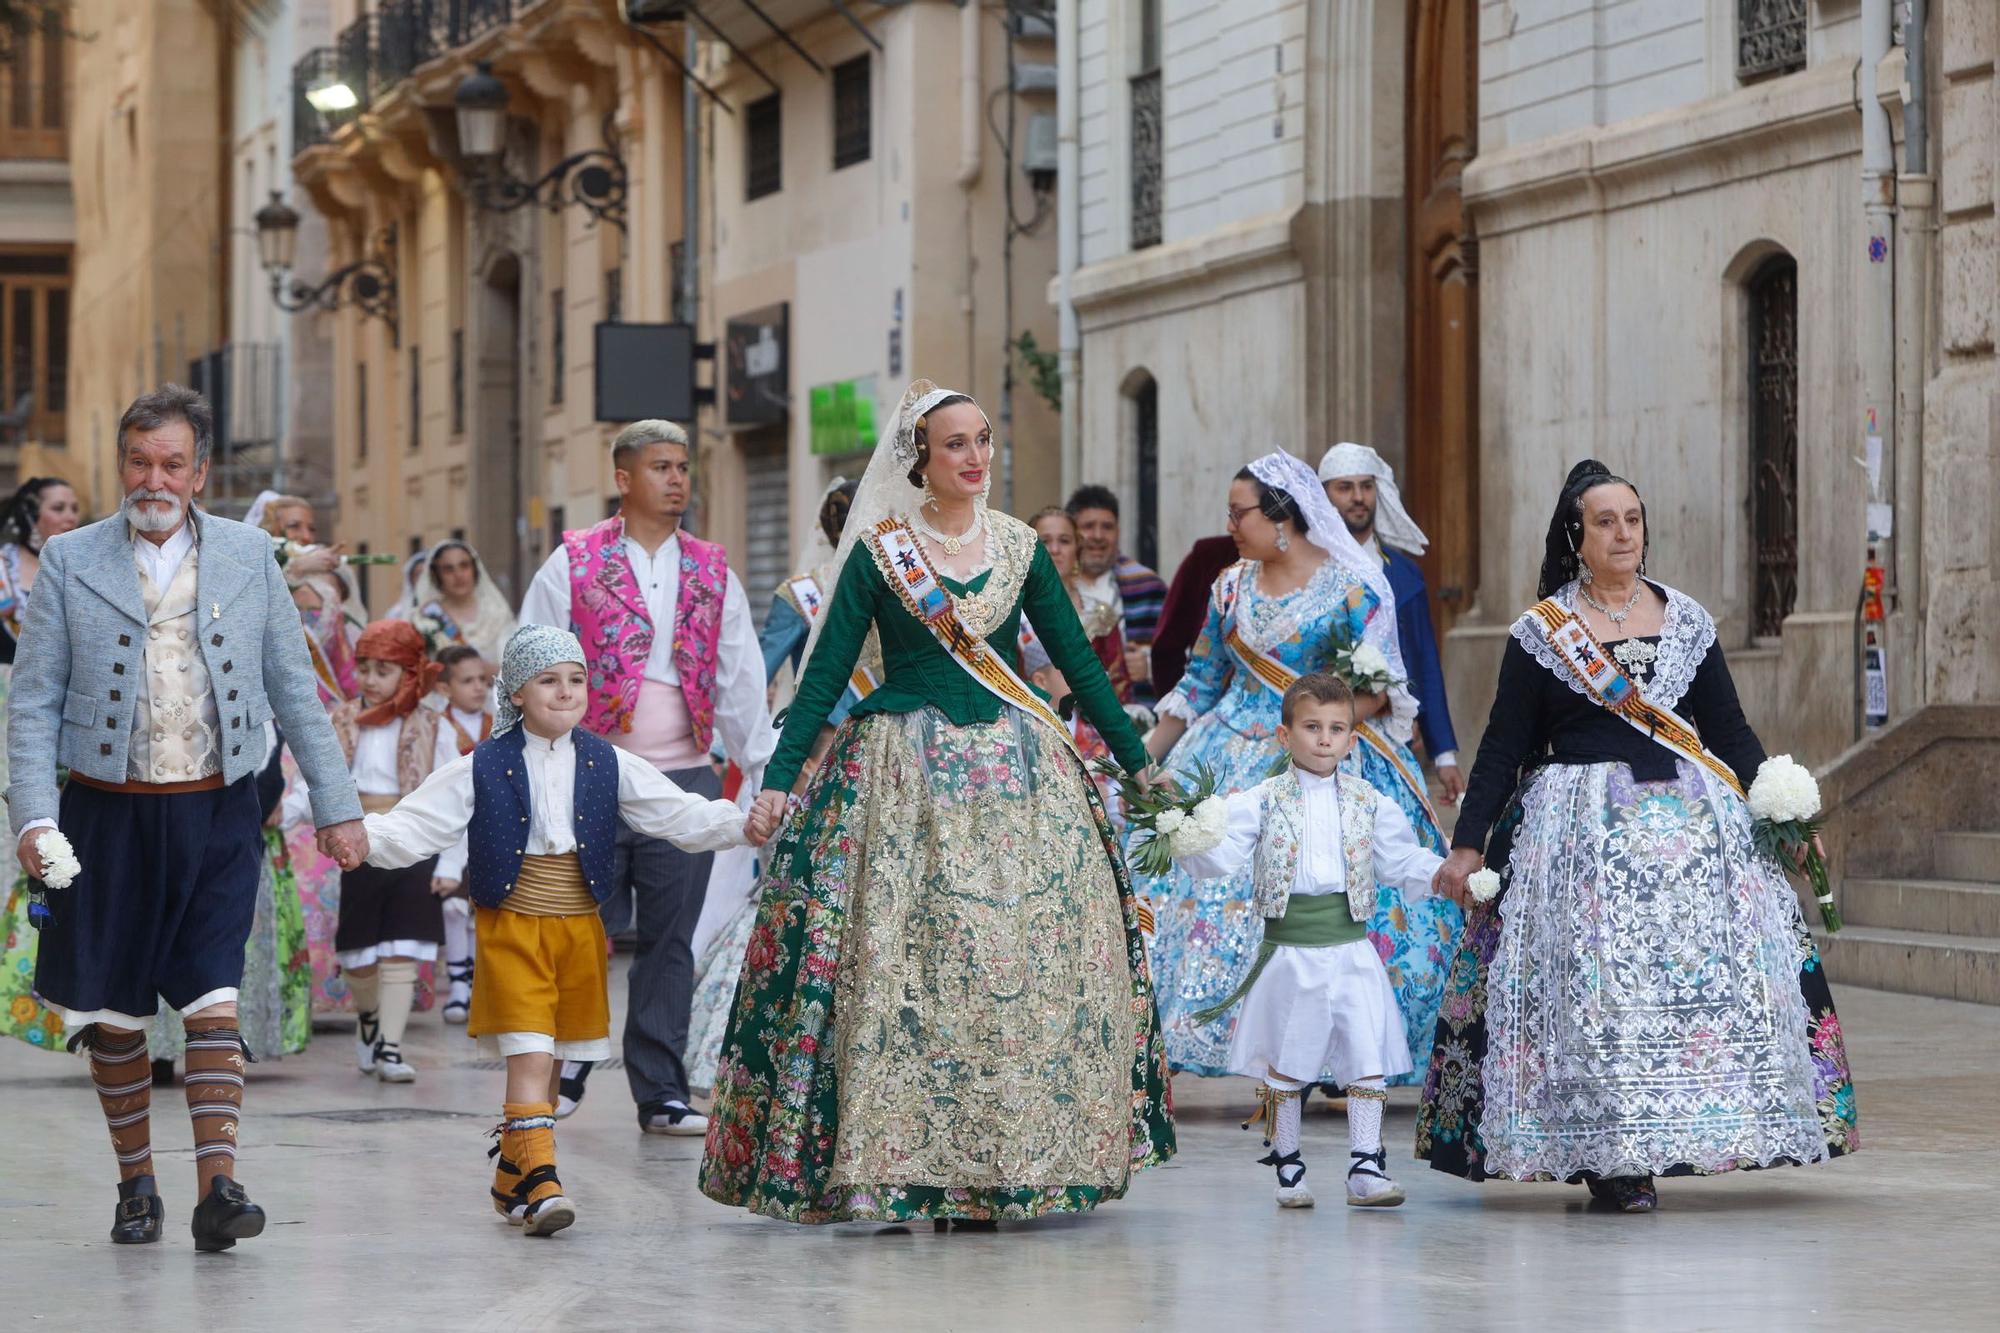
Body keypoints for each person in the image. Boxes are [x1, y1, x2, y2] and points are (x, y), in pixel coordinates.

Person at [699, 379, 1174, 1228]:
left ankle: (1012, 1157)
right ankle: (909, 1166)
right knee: (905, 963)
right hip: (900, 779)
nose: (976, 456)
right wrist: (777, 784)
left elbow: (1079, 664)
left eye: (984, 440)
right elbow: (821, 677)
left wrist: (1139, 766)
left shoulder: (1021, 545)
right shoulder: (881, 553)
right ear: (918, 459)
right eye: (956, 443)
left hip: (1024, 781)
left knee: (1021, 963)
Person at [1419, 460, 1860, 1213]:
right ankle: (1613, 1153)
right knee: (1599, 994)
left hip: (1697, 833)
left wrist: (1784, 813)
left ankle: (1706, 1125)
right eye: (1605, 521)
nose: (1622, 532)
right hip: (1579, 840)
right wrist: (1468, 845)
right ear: (1576, 536)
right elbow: (1501, 746)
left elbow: (1728, 729)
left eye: (1632, 518)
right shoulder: (1542, 633)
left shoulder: (1686, 619)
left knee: (1697, 992)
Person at [6, 384, 368, 1249]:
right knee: (118, 1013)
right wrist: (30, 817)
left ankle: (220, 1189)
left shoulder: (248, 557)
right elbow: (32, 703)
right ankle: (138, 1187)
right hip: (105, 817)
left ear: (200, 470)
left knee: (214, 996)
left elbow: (297, 691)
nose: (153, 477)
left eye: (172, 461)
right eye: (139, 460)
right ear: (120, 465)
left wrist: (338, 808)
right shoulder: (69, 560)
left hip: (218, 808)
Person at [358, 625, 763, 1236]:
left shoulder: (609, 760)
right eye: (548, 681)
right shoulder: (482, 765)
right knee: (531, 1051)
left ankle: (510, 1180)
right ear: (517, 693)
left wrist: (739, 825)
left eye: (576, 680)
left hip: (578, 931)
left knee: (552, 1064)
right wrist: (360, 837)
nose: (566, 692)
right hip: (511, 925)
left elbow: (675, 813)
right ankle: (544, 1183)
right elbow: (417, 823)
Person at [1135, 451, 1462, 1087]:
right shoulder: (1228, 586)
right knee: (1202, 888)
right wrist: (1143, 760)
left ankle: (1340, 1055)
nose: (1230, 524)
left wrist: (1325, 732)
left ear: (1281, 516)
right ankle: (1265, 1054)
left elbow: (1384, 688)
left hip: (1323, 756)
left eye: (1240, 512)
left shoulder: (1352, 584)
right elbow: (1201, 679)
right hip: (1228, 756)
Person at [518, 419, 775, 1136]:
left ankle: (659, 1087)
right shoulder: (570, 563)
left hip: (685, 781)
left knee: (670, 936)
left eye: (684, 467)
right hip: (589, 775)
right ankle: (570, 1058)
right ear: (623, 478)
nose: (677, 479)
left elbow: (739, 676)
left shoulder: (712, 568)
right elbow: (529, 659)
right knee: (576, 925)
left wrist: (760, 771)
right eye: (661, 466)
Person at [1177, 672, 1443, 1208]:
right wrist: (1187, 838)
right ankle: (1289, 1167)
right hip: (1291, 953)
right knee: (1289, 1061)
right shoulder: (1258, 800)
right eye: (1312, 726)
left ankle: (1366, 1168)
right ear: (1285, 735)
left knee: (1365, 1058)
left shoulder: (1370, 802)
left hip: (1350, 949)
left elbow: (1400, 862)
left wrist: (1448, 876)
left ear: (1353, 738)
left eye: (1337, 728)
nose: (1324, 738)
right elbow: (1221, 857)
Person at [286, 620, 459, 1083]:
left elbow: (454, 794)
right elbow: (316, 781)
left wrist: (451, 861)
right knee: (360, 951)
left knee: (404, 945)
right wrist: (283, 813)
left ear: (408, 674)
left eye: (383, 670)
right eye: (363, 669)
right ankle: (369, 1019)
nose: (369, 680)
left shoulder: (432, 725)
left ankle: (391, 1047)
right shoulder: (340, 719)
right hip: (357, 842)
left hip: (414, 840)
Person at [1320, 443, 1463, 804]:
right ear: (1324, 495)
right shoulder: (1310, 573)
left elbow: (1425, 661)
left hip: (1393, 741)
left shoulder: (1404, 573)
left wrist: (1443, 752)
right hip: (1320, 742)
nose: (1358, 497)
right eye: (1345, 487)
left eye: (1366, 486)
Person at [0, 476, 84, 1049]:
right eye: (59, 508)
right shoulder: (4, 569)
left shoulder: (85, 564)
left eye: (76, 507)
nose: (70, 516)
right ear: (31, 516)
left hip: (64, 714)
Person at [1019, 505, 1134, 818]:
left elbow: (1118, 684)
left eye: (1064, 541)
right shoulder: (1010, 615)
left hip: (1097, 735)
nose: (1054, 550)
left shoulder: (1100, 615)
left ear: (1077, 549)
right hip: (1034, 733)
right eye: (1044, 541)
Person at [758, 476, 877, 729]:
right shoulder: (800, 594)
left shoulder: (899, 584)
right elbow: (757, 678)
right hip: (827, 737)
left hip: (896, 731)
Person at [433, 644, 495, 1023]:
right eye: (467, 681)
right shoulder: (438, 726)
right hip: (454, 827)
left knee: (483, 907)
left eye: (483, 681)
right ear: (444, 687)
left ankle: (478, 985)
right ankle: (457, 984)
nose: (478, 688)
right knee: (453, 906)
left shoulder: (498, 723)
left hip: (490, 826)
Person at [1066, 484, 1166, 709]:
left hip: (1132, 711)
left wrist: (1148, 666)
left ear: (1118, 532)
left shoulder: (1147, 586)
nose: (1098, 536)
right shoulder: (1053, 586)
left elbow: (1184, 658)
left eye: (1107, 527)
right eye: (1088, 526)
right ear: (1072, 532)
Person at [1149, 534, 1238, 697]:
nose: (1230, 526)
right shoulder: (1212, 560)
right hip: (1215, 711)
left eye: (1240, 514)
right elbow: (1167, 649)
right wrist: (1181, 706)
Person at [403, 539, 517, 665]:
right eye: (448, 569)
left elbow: (513, 665)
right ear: (436, 576)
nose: (458, 575)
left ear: (475, 569)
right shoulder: (425, 616)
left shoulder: (497, 614)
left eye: (464, 566)